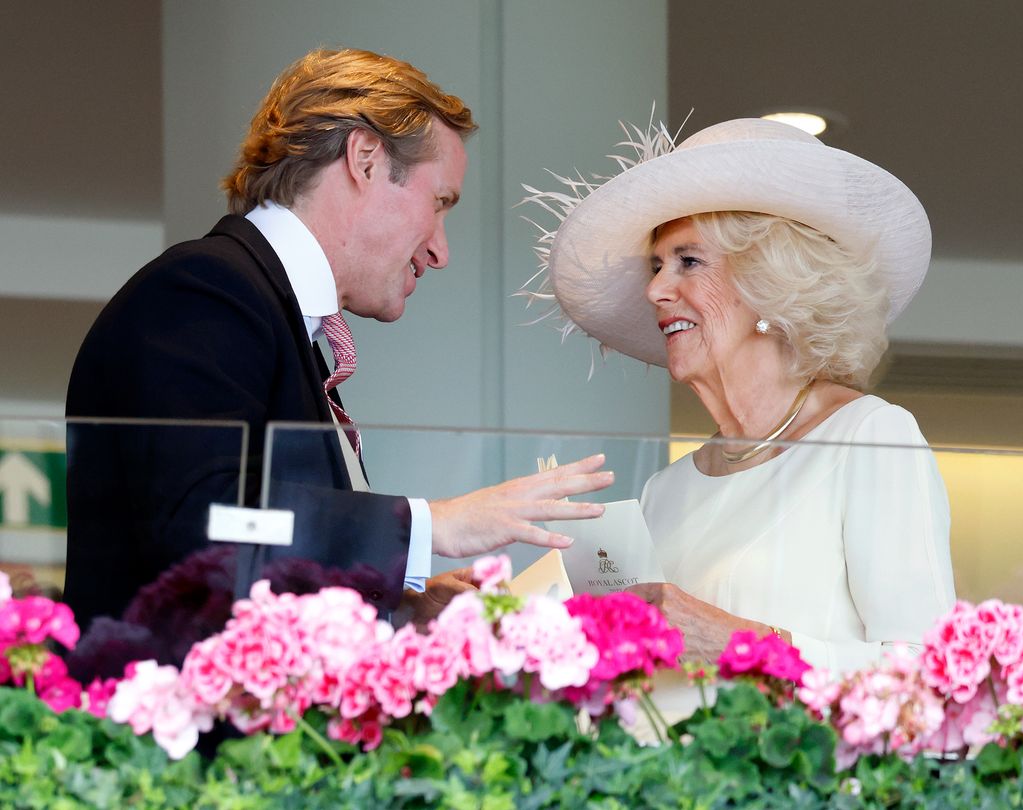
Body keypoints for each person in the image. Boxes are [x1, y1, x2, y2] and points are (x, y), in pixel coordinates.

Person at [63, 48, 613, 650]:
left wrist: (395, 597)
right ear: (366, 159)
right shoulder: (204, 289)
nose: (441, 251)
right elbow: (205, 521)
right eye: (439, 204)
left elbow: (254, 555)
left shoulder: (265, 310)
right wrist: (433, 525)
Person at [522, 117, 955, 676]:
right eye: (656, 266)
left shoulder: (870, 437)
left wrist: (738, 643)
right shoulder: (667, 490)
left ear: (770, 282)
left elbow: (927, 676)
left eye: (688, 262)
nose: (655, 289)